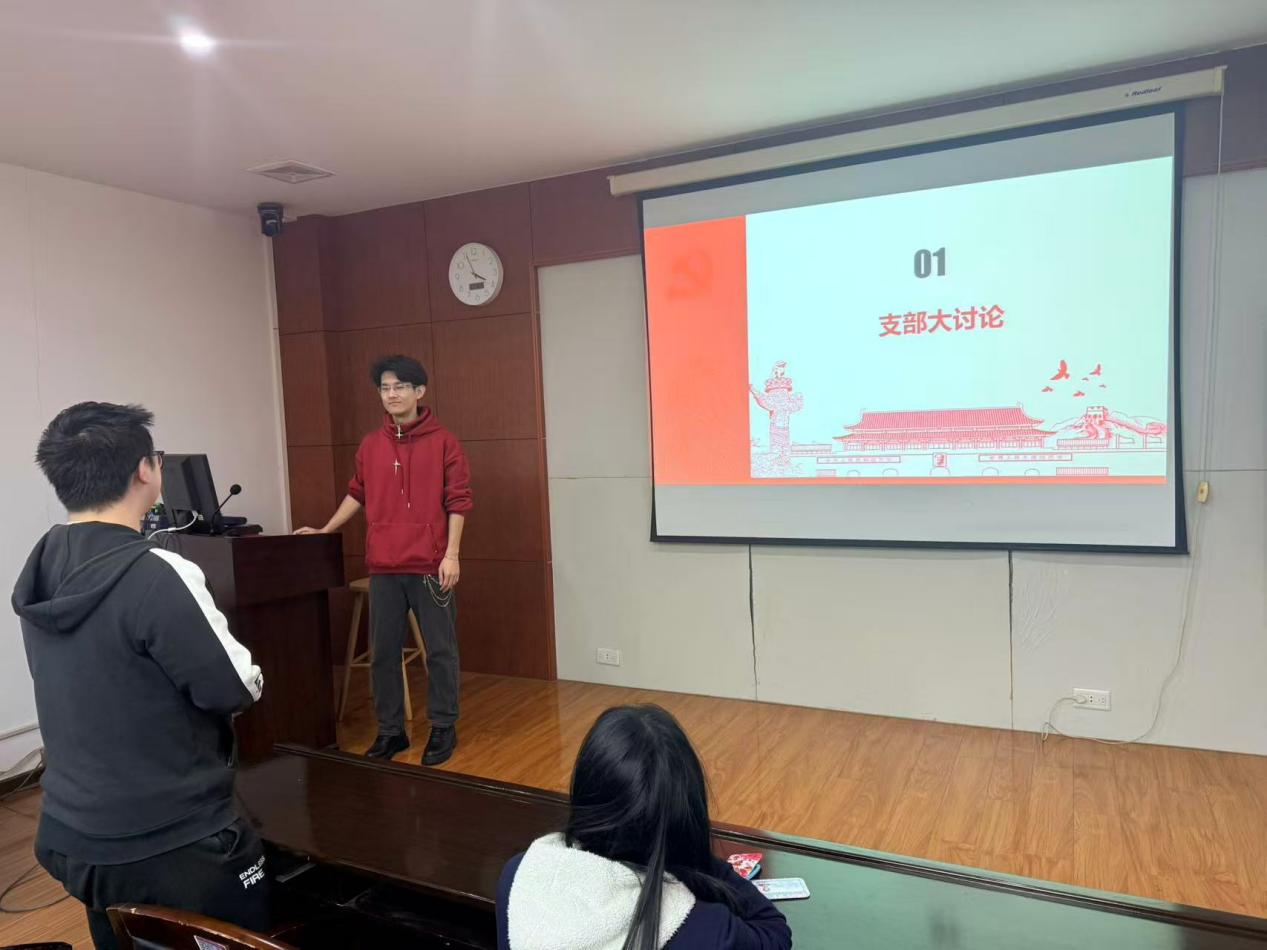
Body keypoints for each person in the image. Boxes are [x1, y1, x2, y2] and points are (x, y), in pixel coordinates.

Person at [10, 402, 268, 949]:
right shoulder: (160, 573)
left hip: (73, 834)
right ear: (145, 470)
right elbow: (232, 688)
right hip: (171, 841)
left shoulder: (42, 565)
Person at [496, 705, 793, 950]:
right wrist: (696, 856)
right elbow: (774, 932)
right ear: (687, 814)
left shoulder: (519, 875)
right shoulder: (705, 929)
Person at [295, 354, 472, 765]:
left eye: (400, 387)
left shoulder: (445, 442)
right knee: (383, 654)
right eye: (385, 388)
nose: (391, 395)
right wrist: (326, 529)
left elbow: (459, 501)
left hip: (430, 565)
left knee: (441, 651)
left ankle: (443, 727)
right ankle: (391, 732)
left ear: (419, 391)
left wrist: (452, 555)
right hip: (384, 566)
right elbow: (357, 492)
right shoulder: (371, 445)